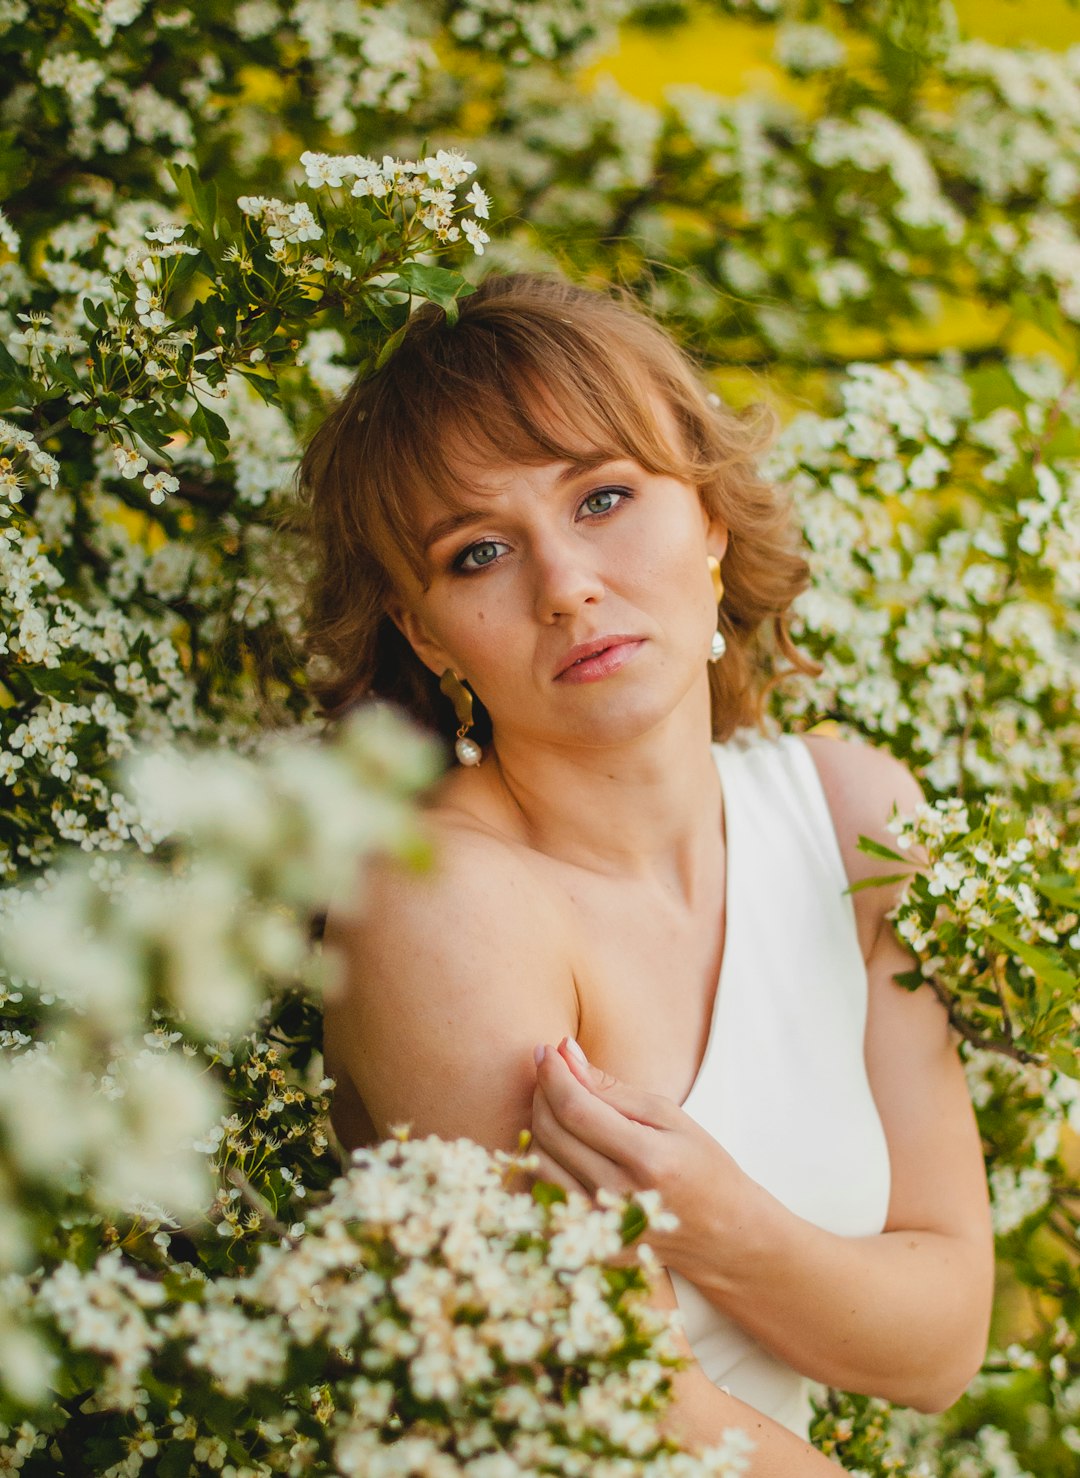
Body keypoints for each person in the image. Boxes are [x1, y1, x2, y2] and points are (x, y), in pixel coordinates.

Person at [305, 271, 994, 1474]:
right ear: (423, 633)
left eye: (605, 497)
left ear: (712, 516)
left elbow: (938, 1342)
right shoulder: (437, 906)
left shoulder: (854, 818)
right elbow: (613, 1412)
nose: (566, 583)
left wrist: (715, 1216)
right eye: (476, 555)